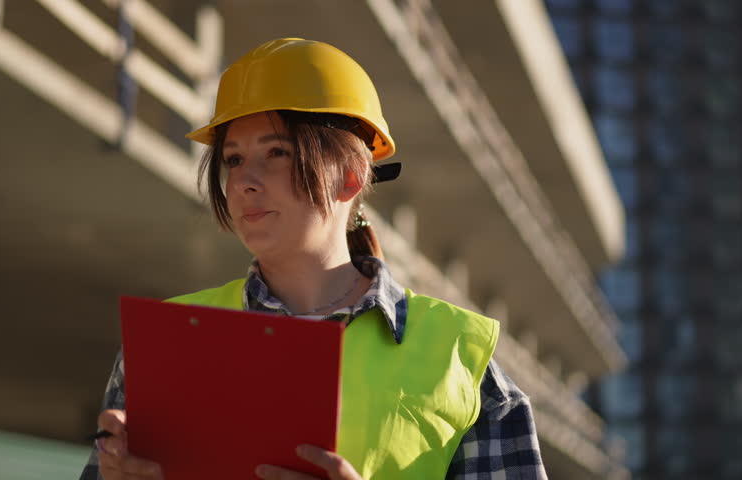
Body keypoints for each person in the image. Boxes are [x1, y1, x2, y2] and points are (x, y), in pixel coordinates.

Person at [79, 38, 548, 480]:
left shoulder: (462, 362)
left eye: (276, 152)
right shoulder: (165, 343)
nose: (244, 181)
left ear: (350, 175)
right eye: (234, 159)